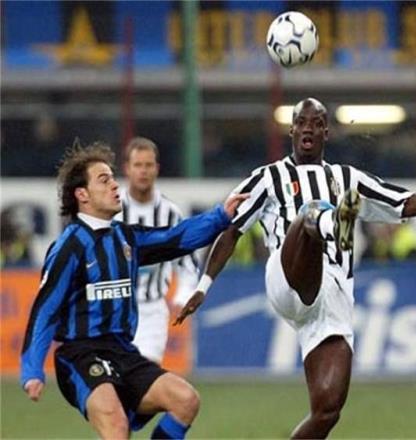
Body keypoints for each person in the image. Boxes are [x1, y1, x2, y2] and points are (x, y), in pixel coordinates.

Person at [175, 98, 416, 438]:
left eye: (316, 123)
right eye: (301, 122)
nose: (308, 128)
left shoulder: (347, 177)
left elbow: (403, 203)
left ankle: (334, 223)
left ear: (326, 132)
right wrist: (203, 286)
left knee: (327, 411)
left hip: (332, 299)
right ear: (291, 130)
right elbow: (232, 230)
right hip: (288, 277)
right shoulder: (268, 177)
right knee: (309, 213)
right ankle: (332, 224)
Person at [20, 141, 247, 439]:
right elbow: (46, 310)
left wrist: (220, 216)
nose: (115, 185)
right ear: (82, 194)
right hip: (80, 355)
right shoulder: (68, 247)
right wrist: (32, 370)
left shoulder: (125, 237)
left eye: (113, 178)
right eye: (104, 180)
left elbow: (175, 238)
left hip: (122, 351)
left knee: (186, 400)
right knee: (117, 427)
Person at [115, 137, 198, 364]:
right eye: (138, 165)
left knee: (145, 375)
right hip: (115, 309)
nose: (143, 171)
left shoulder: (170, 213)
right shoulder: (112, 210)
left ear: (157, 169)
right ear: (127, 169)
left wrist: (183, 295)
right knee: (115, 377)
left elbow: (187, 263)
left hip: (152, 311)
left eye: (148, 165)